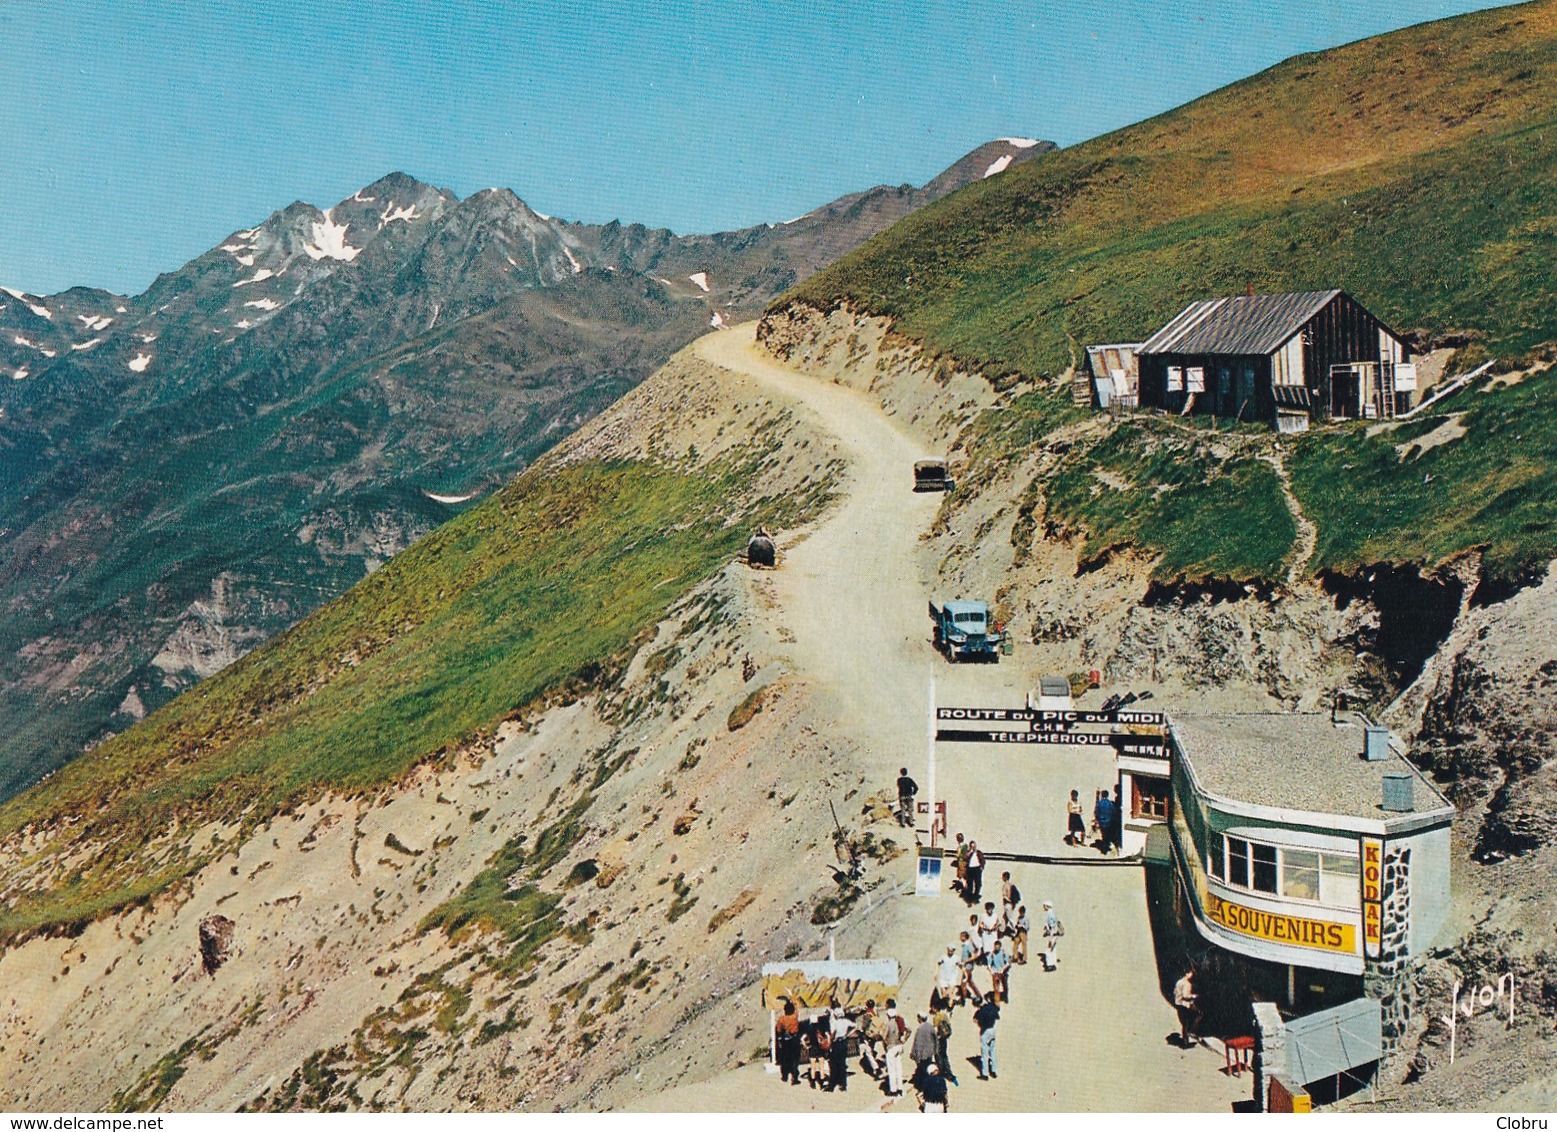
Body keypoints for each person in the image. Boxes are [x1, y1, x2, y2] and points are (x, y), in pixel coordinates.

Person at [883, 999, 909, 1097]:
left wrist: (885, 1044)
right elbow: (909, 1029)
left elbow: (884, 1036)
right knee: (899, 1068)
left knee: (891, 1069)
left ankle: (893, 1089)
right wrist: (904, 1039)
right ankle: (900, 1088)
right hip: (899, 1046)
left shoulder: (889, 1024)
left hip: (891, 1047)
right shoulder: (900, 1020)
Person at [930, 991, 957, 1083]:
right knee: (945, 1055)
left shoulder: (936, 1018)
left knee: (938, 1056)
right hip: (945, 1038)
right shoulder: (944, 1015)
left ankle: (941, 1072)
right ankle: (949, 1073)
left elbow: (936, 1030)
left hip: (938, 1038)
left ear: (934, 1008)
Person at [974, 991, 1000, 1080]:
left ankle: (984, 1073)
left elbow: (978, 1021)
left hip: (985, 1031)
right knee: (992, 1051)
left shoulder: (983, 1009)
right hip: (993, 1029)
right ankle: (994, 1071)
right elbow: (997, 1017)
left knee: (985, 1053)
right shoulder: (994, 1008)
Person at [775, 1000, 803, 1085]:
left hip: (786, 1040)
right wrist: (792, 999)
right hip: (794, 1039)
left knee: (785, 1058)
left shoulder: (782, 1019)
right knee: (795, 1059)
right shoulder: (795, 1017)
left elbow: (778, 1029)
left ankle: (784, 1076)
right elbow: (796, 1007)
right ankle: (794, 1078)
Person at [828, 1002, 853, 1091]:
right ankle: (843, 1085)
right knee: (842, 1064)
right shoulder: (846, 1021)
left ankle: (831, 1085)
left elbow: (833, 1034)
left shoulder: (834, 1023)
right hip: (844, 1042)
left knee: (834, 1065)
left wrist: (830, 1043)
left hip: (836, 1043)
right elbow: (855, 1026)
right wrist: (847, 1034)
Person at [1174, 967, 1202, 1047]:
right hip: (1185, 1005)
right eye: (1191, 973)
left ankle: (1185, 1041)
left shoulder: (1179, 982)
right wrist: (1194, 996)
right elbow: (1186, 996)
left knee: (1184, 1023)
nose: (1191, 975)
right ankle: (1192, 1031)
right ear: (1187, 974)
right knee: (1198, 1014)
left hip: (1179, 1004)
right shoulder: (1187, 984)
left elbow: (1175, 992)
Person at [910, 1010, 938, 1087]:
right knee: (927, 1069)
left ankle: (922, 1086)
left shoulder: (920, 1029)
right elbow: (935, 1039)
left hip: (922, 1054)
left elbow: (918, 1044)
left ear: (920, 1018)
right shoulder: (930, 1026)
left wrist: (916, 1056)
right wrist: (935, 1050)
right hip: (929, 1053)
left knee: (922, 1071)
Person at [957, 931, 981, 1005]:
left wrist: (965, 962)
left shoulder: (968, 945)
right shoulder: (964, 945)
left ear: (965, 937)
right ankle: (977, 996)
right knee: (969, 982)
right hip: (965, 967)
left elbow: (974, 956)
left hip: (968, 967)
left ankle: (963, 999)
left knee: (964, 983)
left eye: (962, 936)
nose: (960, 938)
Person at [988, 937, 1012, 1003]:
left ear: (1000, 947)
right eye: (995, 947)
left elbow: (1008, 963)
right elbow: (989, 964)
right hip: (996, 973)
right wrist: (991, 971)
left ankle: (1005, 996)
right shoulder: (992, 954)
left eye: (998, 947)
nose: (996, 949)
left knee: (1005, 985)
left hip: (1003, 973)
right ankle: (997, 1002)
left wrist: (1002, 970)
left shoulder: (1004, 953)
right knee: (996, 988)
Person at [1042, 900, 1062, 971]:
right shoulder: (1052, 913)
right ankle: (1053, 964)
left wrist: (1051, 936)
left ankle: (1050, 965)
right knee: (1053, 950)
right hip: (1055, 934)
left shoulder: (1049, 915)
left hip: (1053, 934)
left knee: (1049, 950)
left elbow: (1052, 926)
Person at [1096, 789, 1117, 854]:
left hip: (1102, 822)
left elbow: (1097, 812)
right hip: (1109, 821)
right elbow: (1114, 812)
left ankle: (1104, 847)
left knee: (1104, 834)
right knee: (1108, 835)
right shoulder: (1110, 803)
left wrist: (1097, 820)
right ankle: (1106, 846)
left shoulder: (1100, 803)